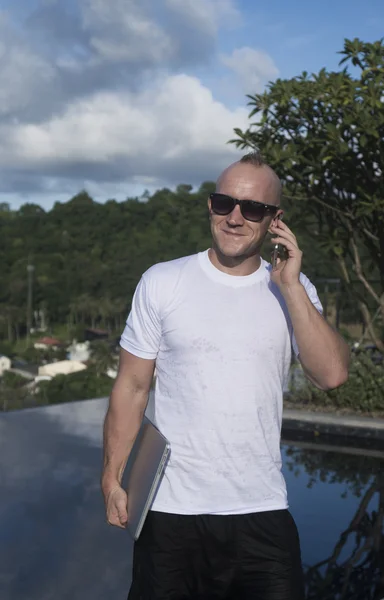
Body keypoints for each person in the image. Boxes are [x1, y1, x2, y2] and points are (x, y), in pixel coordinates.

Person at [101, 152, 350, 600]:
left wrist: (290, 285)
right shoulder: (163, 281)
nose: (235, 218)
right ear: (210, 206)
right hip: (169, 511)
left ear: (275, 219)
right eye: (224, 203)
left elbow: (331, 374)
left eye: (252, 208)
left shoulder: (293, 289)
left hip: (262, 510)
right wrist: (112, 476)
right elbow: (132, 387)